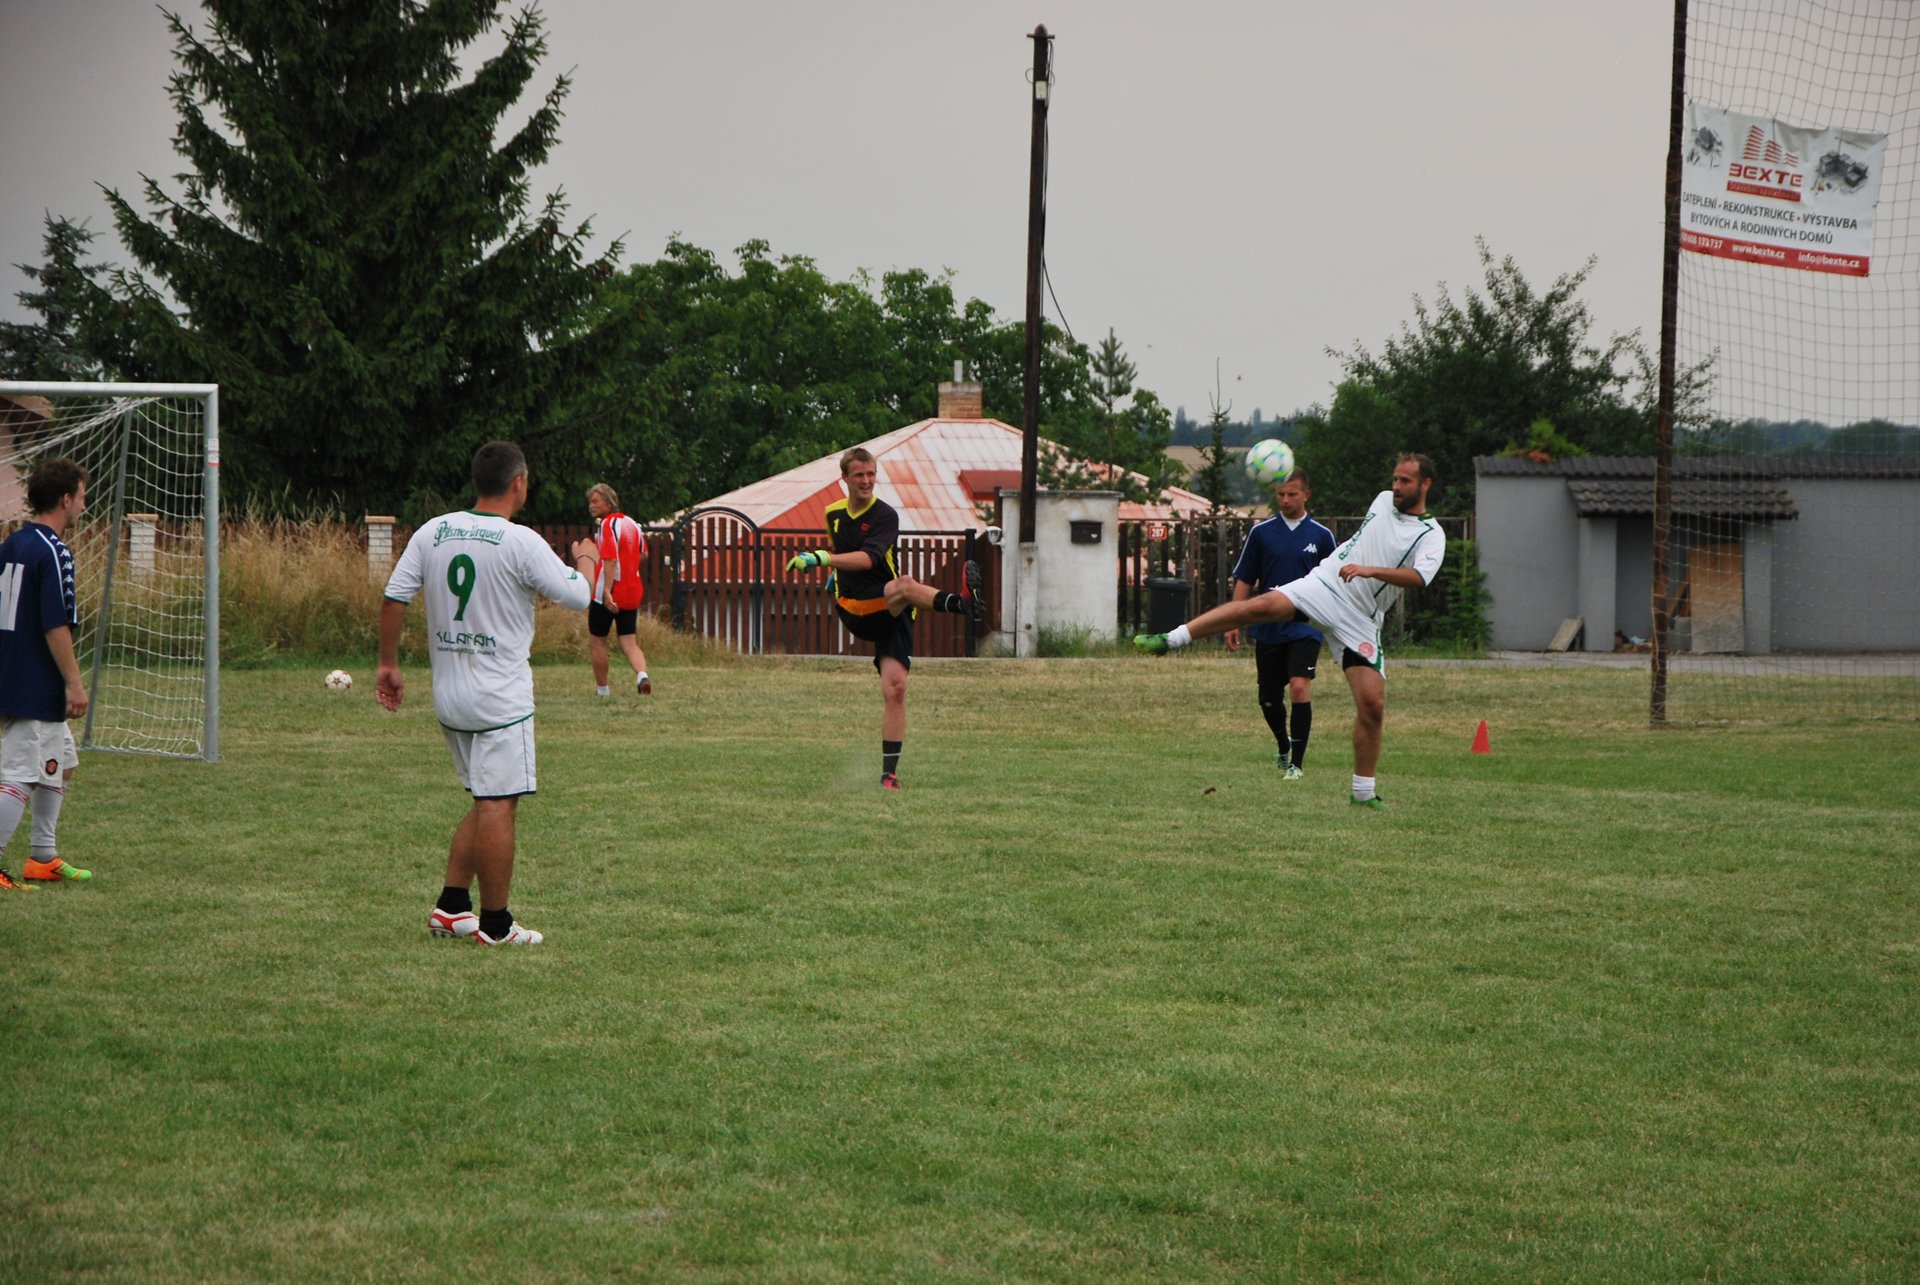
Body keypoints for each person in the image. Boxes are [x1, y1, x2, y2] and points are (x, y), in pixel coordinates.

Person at [377, 442, 597, 945]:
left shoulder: (433, 531)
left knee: (486, 799)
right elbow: (578, 596)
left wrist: (388, 664)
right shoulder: (520, 541)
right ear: (519, 483)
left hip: (449, 695)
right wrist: (586, 560)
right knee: (498, 804)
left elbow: (394, 598)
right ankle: (496, 925)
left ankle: (452, 907)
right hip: (500, 700)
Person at [1136, 453, 1445, 809]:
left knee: (1373, 706)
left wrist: (1370, 570)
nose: (1396, 487)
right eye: (1395, 479)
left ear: (1426, 484)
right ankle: (1172, 639)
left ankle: (1362, 793)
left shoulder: (1431, 535)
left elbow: (1419, 577)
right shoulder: (1382, 500)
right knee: (1262, 606)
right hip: (1327, 585)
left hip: (1360, 617)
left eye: (1406, 481)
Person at [785, 446, 984, 790]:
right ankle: (961, 604)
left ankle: (888, 775)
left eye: (871, 474)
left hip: (890, 607)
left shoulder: (885, 516)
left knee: (896, 687)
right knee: (904, 585)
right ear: (844, 478)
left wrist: (822, 559)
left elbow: (868, 559)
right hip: (856, 607)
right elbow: (846, 555)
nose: (866, 480)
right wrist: (834, 573)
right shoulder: (833, 513)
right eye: (859, 475)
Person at [0, 458, 93, 889]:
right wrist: (73, 682)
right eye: (82, 497)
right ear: (65, 499)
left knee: (62, 763)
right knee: (21, 773)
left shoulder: (13, 544)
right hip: (35, 680)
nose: (84, 506)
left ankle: (42, 856)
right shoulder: (53, 551)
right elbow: (55, 624)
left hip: (13, 672)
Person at [1222, 468, 1335, 781]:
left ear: (1306, 495)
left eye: (1292, 494)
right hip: (1270, 626)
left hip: (1305, 625)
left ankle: (1296, 765)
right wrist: (1233, 621)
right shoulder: (1262, 533)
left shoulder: (1322, 536)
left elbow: (1334, 583)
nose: (1285, 500)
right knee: (1269, 699)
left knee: (1299, 687)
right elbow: (1245, 578)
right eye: (1280, 494)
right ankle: (1283, 744)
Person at [584, 482, 651, 696]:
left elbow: (610, 560)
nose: (591, 505)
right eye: (590, 502)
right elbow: (643, 554)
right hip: (632, 591)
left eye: (595, 501)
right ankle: (642, 675)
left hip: (608, 593)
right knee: (629, 641)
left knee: (598, 641)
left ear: (608, 503)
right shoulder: (633, 524)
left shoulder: (607, 525)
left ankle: (603, 690)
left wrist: (607, 591)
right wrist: (629, 568)